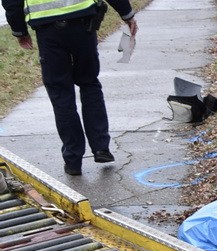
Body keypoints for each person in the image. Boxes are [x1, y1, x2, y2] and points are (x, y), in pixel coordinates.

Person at [2, 0, 139, 176]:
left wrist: (19, 30)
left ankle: (73, 160)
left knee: (60, 94)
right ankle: (101, 148)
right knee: (89, 84)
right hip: (82, 22)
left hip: (47, 28)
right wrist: (126, 13)